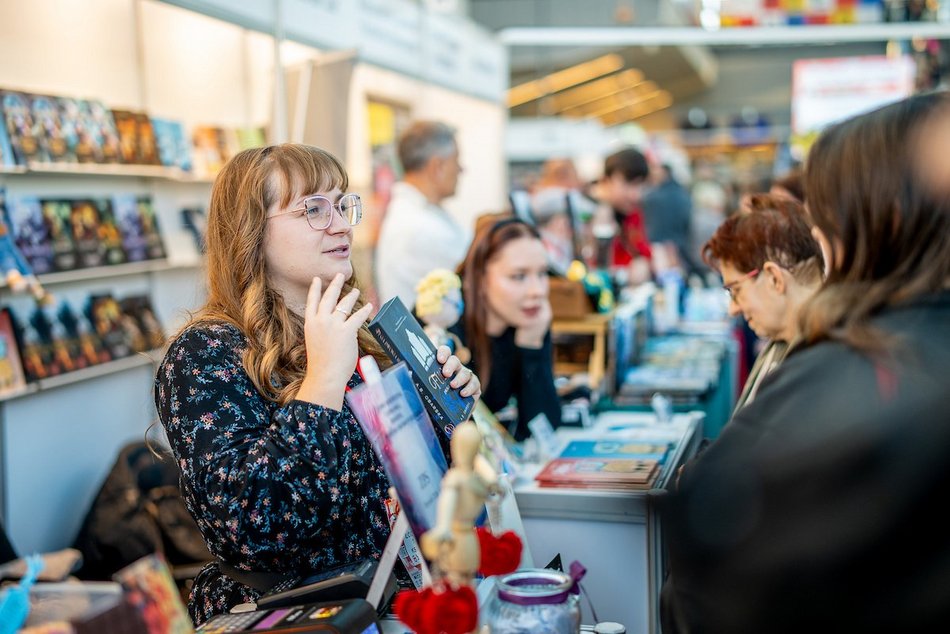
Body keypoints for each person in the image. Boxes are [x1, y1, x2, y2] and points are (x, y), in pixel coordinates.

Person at [153, 144, 480, 625]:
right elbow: (254, 526)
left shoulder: (361, 334)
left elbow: (423, 488)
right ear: (250, 230)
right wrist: (323, 382)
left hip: (400, 602)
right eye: (313, 209)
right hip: (300, 617)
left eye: (343, 204)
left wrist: (450, 409)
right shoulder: (205, 353)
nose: (342, 224)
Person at [660, 92, 950, 633]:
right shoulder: (886, 353)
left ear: (882, 218)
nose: (816, 234)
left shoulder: (859, 373)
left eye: (827, 216)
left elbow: (724, 569)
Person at [701, 193, 823, 412]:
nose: (733, 309)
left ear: (774, 278)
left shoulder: (820, 367)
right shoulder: (789, 346)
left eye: (736, 291)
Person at [453, 216, 562, 442]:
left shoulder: (531, 319)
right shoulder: (445, 322)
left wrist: (532, 347)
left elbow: (542, 431)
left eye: (542, 273)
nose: (537, 291)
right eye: (518, 276)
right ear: (481, 278)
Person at [375, 121, 470, 307]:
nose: (461, 169)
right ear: (437, 166)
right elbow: (479, 278)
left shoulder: (420, 214)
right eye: (456, 161)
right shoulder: (420, 227)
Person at [585, 147, 651, 283]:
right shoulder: (585, 212)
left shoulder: (632, 213)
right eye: (629, 184)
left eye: (641, 185)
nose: (636, 194)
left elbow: (643, 253)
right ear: (605, 181)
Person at [642, 163, 705, 281]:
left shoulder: (653, 196)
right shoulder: (683, 193)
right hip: (680, 242)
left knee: (665, 279)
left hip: (660, 243)